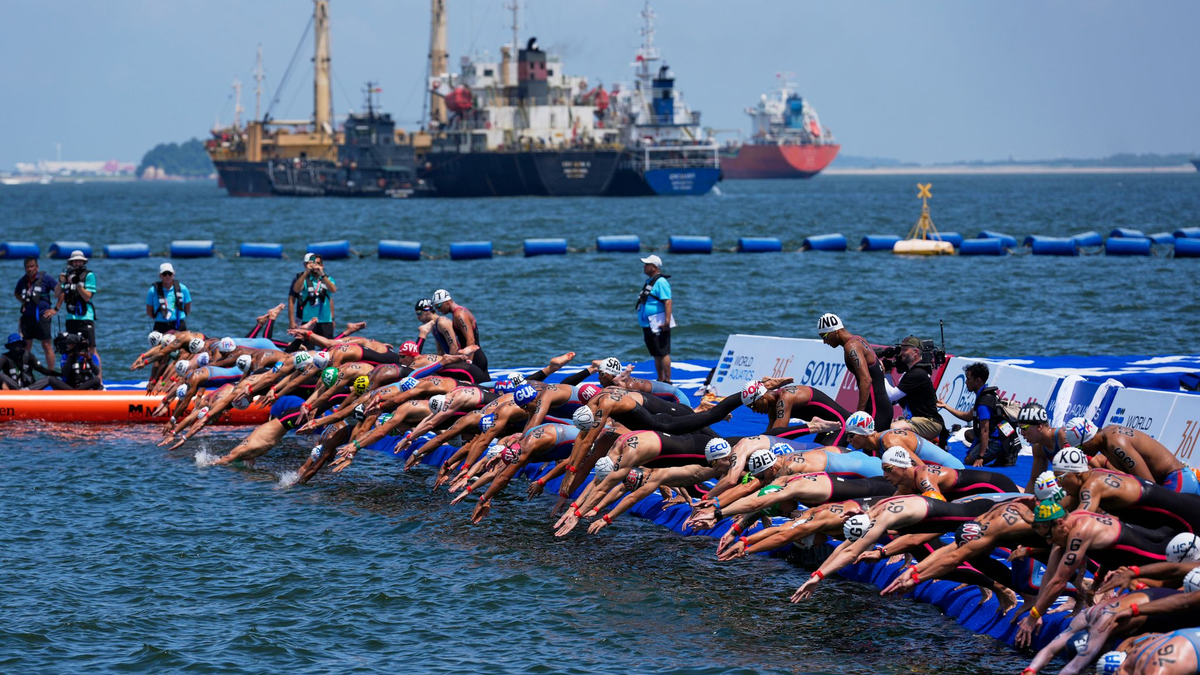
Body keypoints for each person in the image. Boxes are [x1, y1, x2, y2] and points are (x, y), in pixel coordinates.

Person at [816, 313, 892, 432]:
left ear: (835, 331)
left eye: (824, 336)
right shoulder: (859, 340)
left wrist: (859, 413)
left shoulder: (851, 347)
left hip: (875, 410)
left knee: (868, 449)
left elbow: (866, 380)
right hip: (881, 406)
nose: (824, 342)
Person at [939, 362, 1017, 467]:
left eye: (968, 379)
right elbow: (967, 416)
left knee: (968, 460)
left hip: (998, 439)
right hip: (1002, 433)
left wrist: (980, 457)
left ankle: (1002, 452)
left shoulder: (984, 402)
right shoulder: (985, 394)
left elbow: (985, 430)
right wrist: (945, 406)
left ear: (977, 381)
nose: (966, 382)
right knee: (968, 434)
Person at [49, 250, 100, 372]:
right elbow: (56, 294)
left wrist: (78, 285)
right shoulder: (67, 275)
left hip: (86, 317)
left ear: (83, 262)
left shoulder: (89, 275)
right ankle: (74, 377)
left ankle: (99, 380)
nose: (77, 263)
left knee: (91, 349)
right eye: (74, 261)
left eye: (79, 261)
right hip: (71, 318)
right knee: (71, 348)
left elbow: (87, 296)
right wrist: (61, 282)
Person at [889, 336, 944, 444]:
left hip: (929, 423)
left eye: (905, 350)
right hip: (918, 420)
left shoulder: (917, 374)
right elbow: (892, 398)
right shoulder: (912, 373)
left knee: (890, 428)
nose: (900, 354)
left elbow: (891, 395)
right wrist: (886, 373)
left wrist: (880, 372)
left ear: (915, 352)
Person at [431, 289, 488, 379]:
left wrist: (469, 363)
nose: (438, 310)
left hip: (475, 359)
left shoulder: (459, 314)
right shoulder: (459, 312)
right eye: (436, 307)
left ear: (447, 302)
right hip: (477, 357)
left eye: (438, 306)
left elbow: (471, 340)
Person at [636, 254, 673, 383]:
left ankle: (667, 380)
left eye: (647, 265)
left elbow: (667, 302)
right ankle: (660, 378)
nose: (644, 267)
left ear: (654, 267)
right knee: (656, 353)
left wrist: (667, 322)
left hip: (658, 323)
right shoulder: (649, 281)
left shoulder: (661, 282)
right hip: (648, 324)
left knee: (663, 352)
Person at [13, 256, 56, 366]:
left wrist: (55, 309)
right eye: (27, 267)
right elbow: (16, 293)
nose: (29, 269)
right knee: (26, 346)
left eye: (32, 266)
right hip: (27, 318)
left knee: (46, 345)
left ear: (37, 267)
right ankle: (25, 373)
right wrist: (22, 301)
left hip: (43, 316)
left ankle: (51, 374)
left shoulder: (46, 279)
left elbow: (60, 291)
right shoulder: (22, 281)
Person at [289, 253, 337, 338]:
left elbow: (332, 291)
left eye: (318, 263)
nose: (315, 266)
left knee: (327, 347)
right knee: (307, 347)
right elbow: (296, 290)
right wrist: (305, 273)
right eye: (312, 263)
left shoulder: (328, 279)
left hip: (325, 320)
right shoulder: (303, 279)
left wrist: (332, 319)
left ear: (322, 265)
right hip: (308, 320)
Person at [146, 262, 191, 333]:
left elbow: (187, 308)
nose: (167, 276)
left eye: (169, 274)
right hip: (160, 326)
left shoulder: (183, 289)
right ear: (160, 276)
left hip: (178, 325)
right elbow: (149, 311)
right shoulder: (152, 291)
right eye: (164, 274)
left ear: (173, 274)